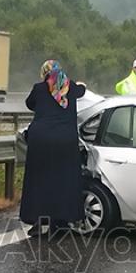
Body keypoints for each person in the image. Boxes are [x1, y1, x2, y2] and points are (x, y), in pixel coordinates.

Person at [20, 60, 86, 236]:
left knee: (39, 181)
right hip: (65, 140)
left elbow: (30, 104)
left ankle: (39, 222)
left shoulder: (39, 88)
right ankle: (63, 221)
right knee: (65, 180)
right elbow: (82, 91)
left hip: (40, 140)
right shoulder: (71, 87)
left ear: (44, 73)